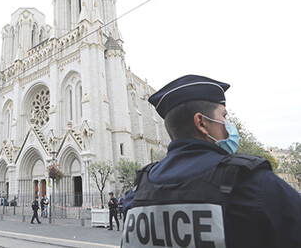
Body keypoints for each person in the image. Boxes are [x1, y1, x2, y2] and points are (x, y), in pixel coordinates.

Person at [122, 74, 301, 247]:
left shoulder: (136, 195)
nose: (228, 125)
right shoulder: (254, 184)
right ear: (201, 123)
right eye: (223, 116)